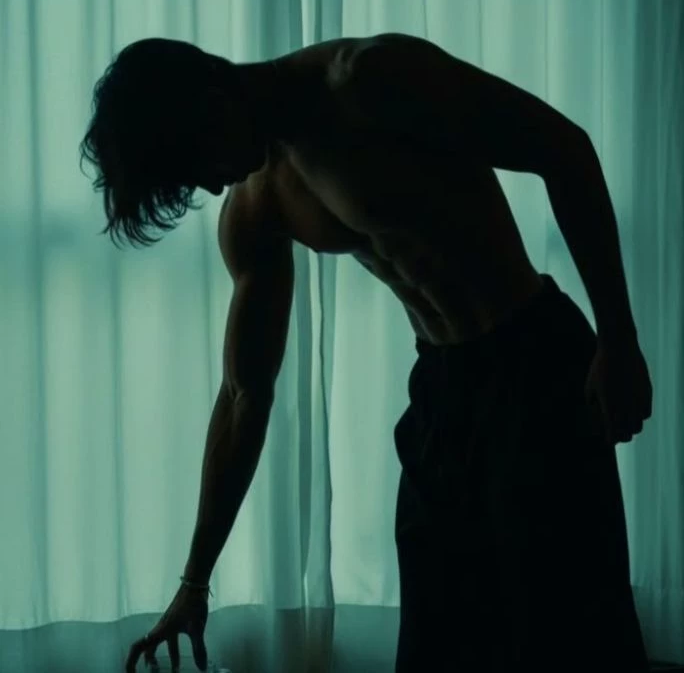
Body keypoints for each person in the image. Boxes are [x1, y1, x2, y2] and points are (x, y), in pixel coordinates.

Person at [79, 33, 653, 672]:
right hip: (442, 392)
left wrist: (619, 339)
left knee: (571, 637)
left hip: (534, 360)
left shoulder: (368, 81)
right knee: (439, 648)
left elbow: (563, 148)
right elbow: (244, 396)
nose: (211, 186)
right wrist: (194, 582)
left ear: (213, 100)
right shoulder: (256, 205)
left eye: (198, 161)